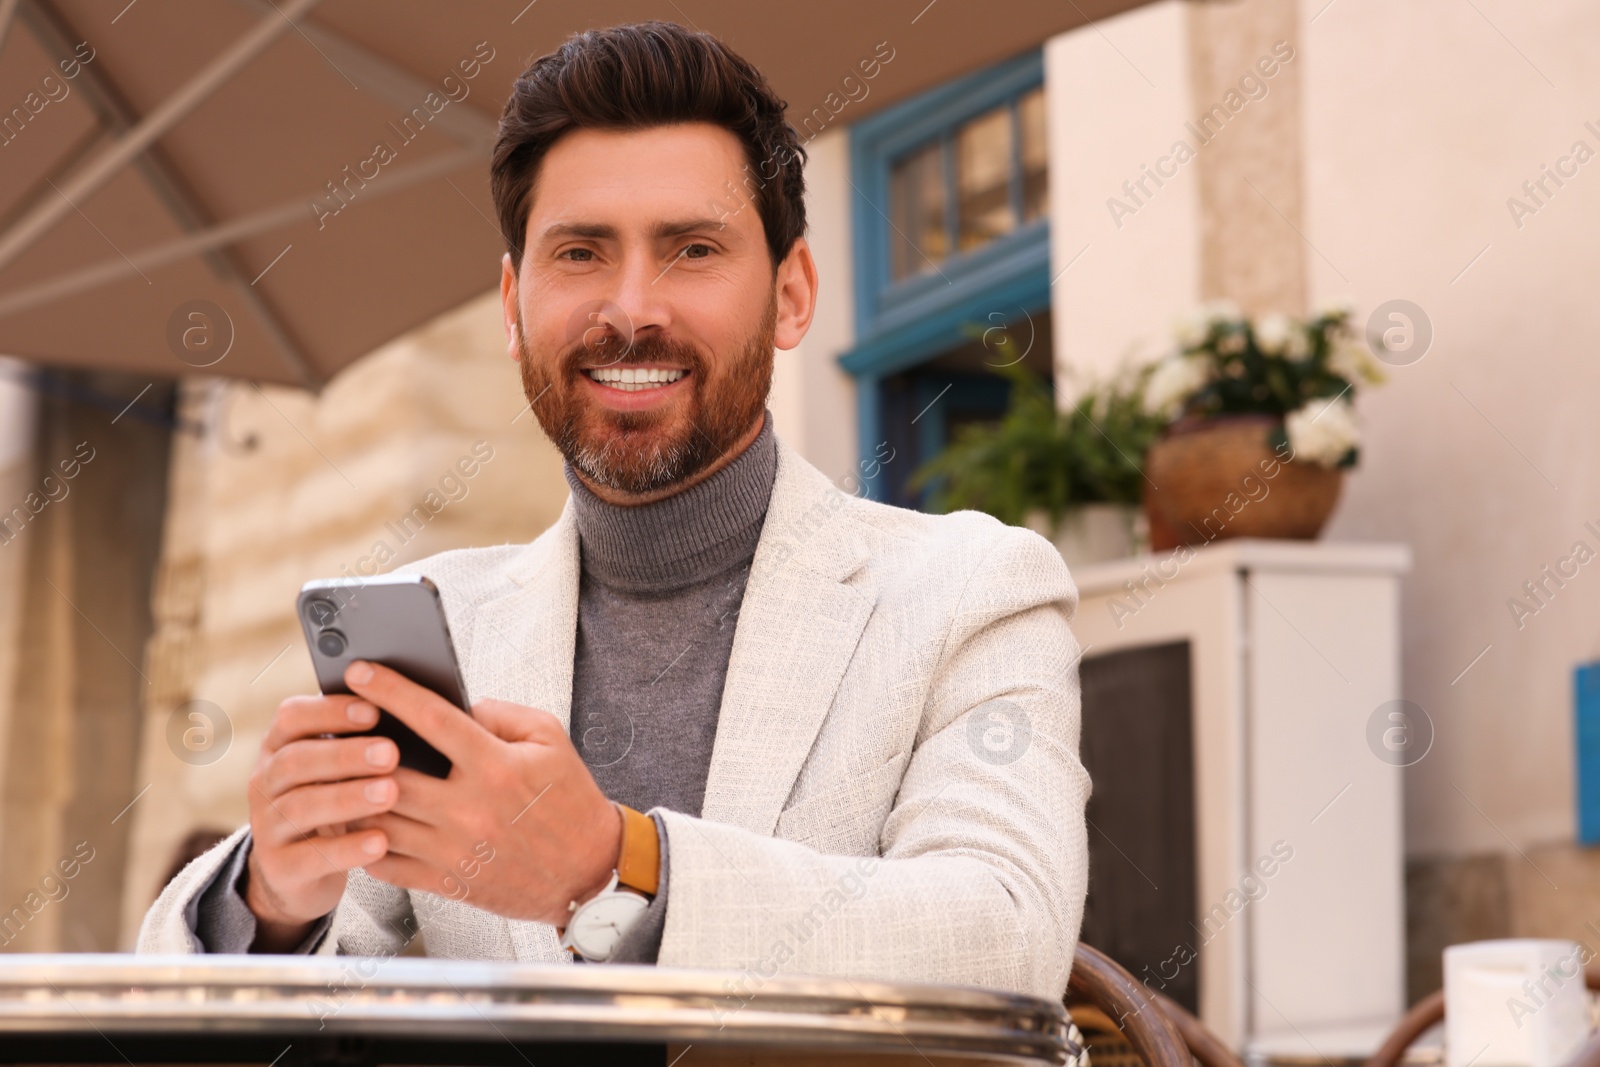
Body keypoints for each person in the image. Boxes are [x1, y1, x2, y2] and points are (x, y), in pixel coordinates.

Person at [139, 19, 1089, 1001]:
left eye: (691, 249)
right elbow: (286, 1000)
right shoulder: (440, 623)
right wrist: (274, 899)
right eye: (582, 252)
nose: (633, 307)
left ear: (792, 292)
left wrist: (614, 863)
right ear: (513, 306)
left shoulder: (970, 589)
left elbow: (1007, 933)